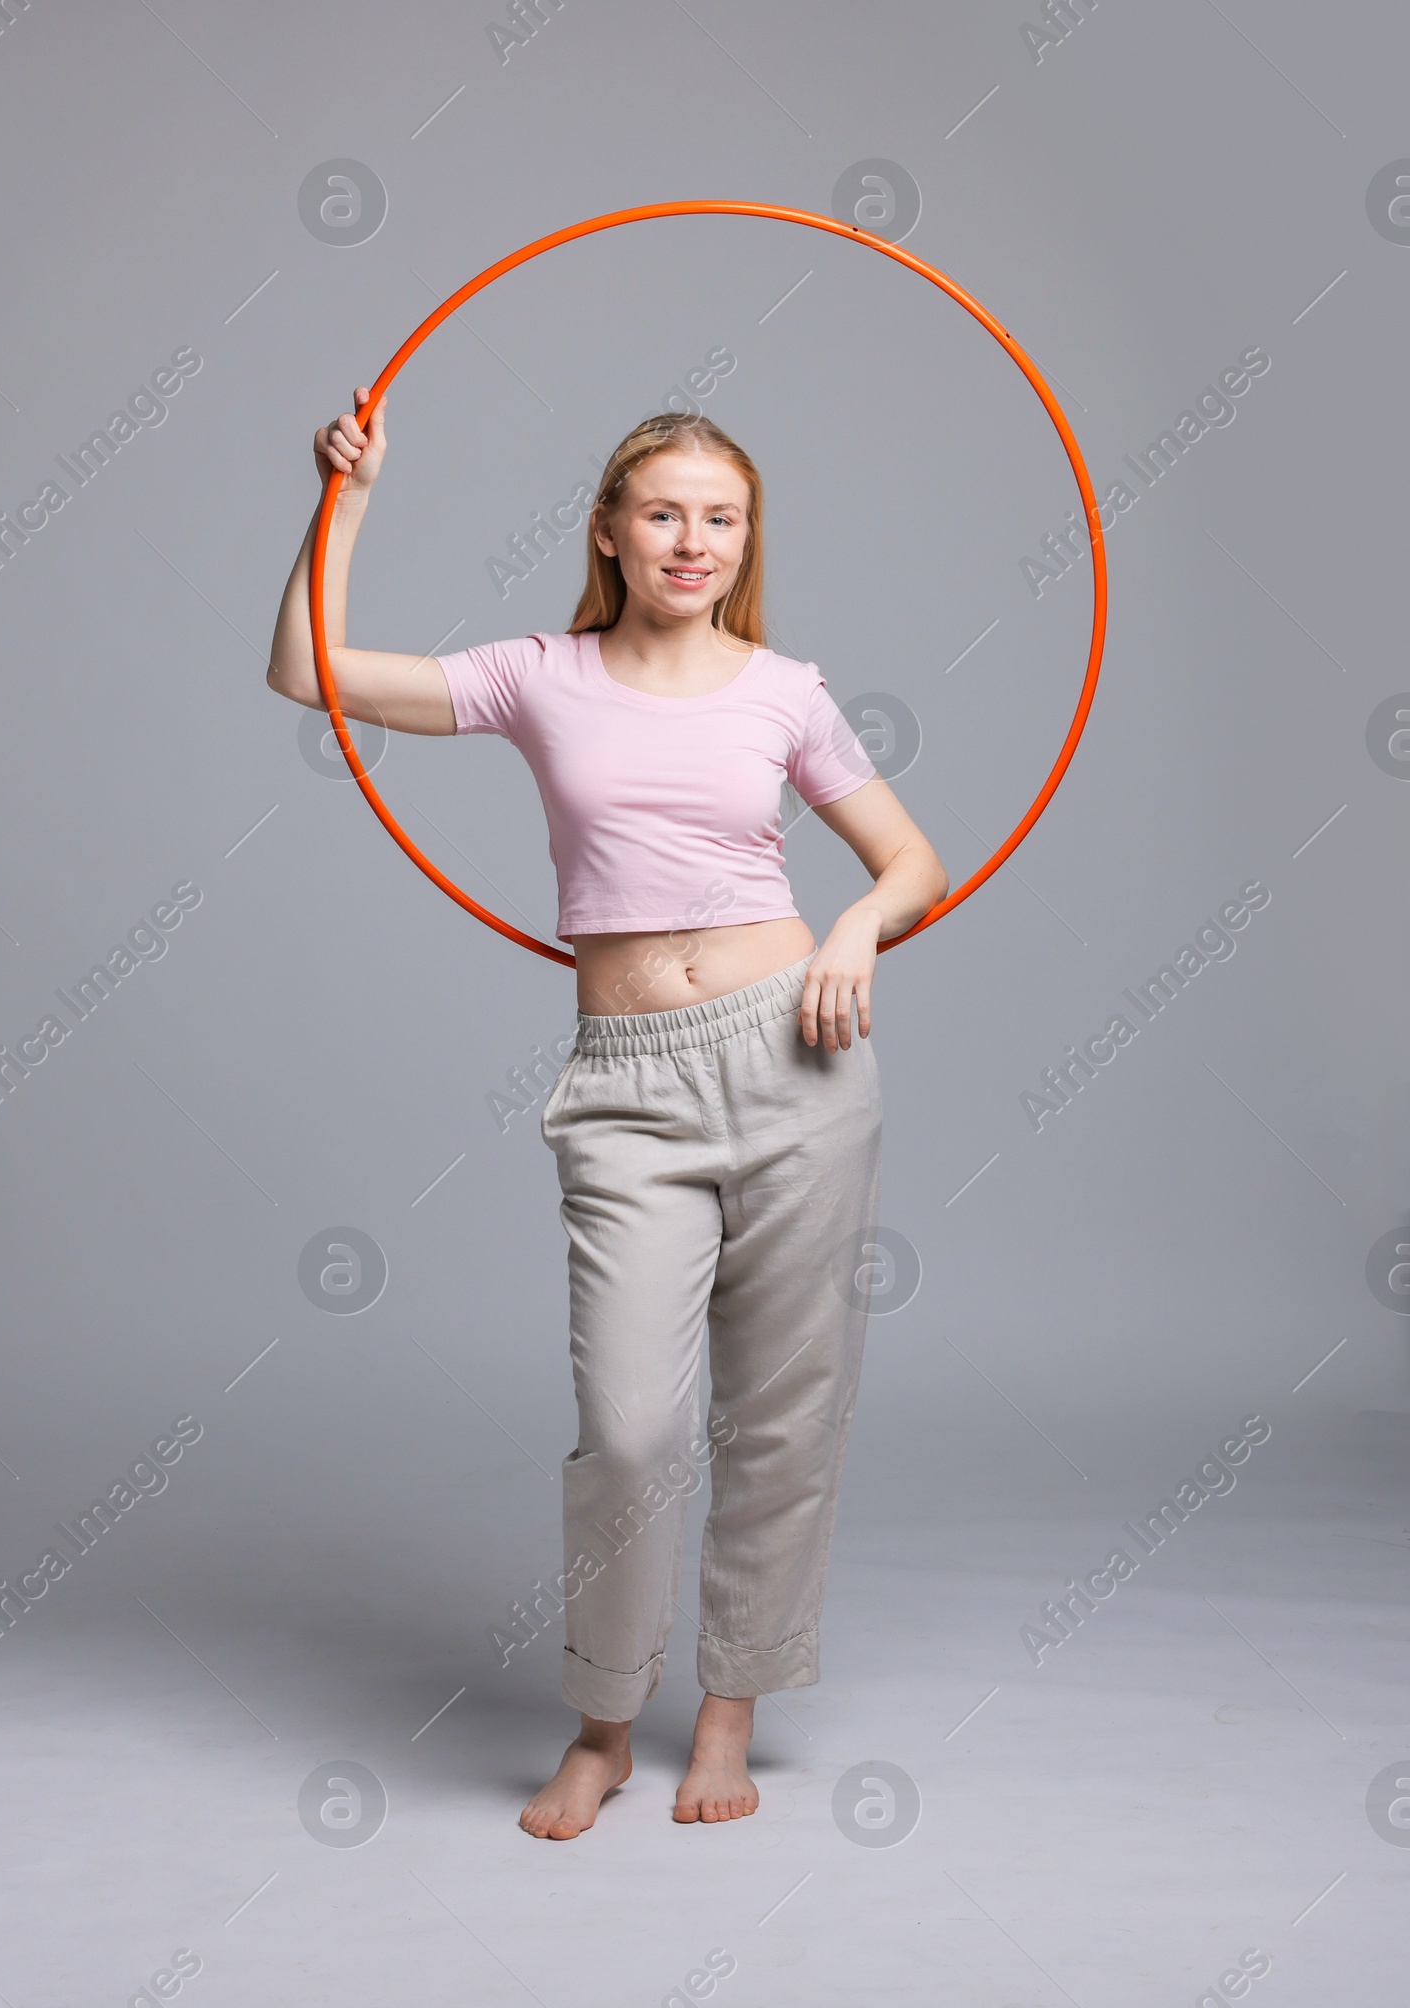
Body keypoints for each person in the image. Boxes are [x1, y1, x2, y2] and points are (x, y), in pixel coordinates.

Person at [267, 389, 948, 1840]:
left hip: (798, 1062)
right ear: (610, 534)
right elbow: (304, 671)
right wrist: (351, 496)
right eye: (663, 513)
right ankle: (601, 1721)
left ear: (745, 539)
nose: (693, 541)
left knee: (781, 1415)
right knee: (630, 1430)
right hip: (630, 1087)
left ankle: (728, 1710)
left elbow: (908, 862)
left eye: (722, 517)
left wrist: (849, 936)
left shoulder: (783, 688)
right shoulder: (538, 675)